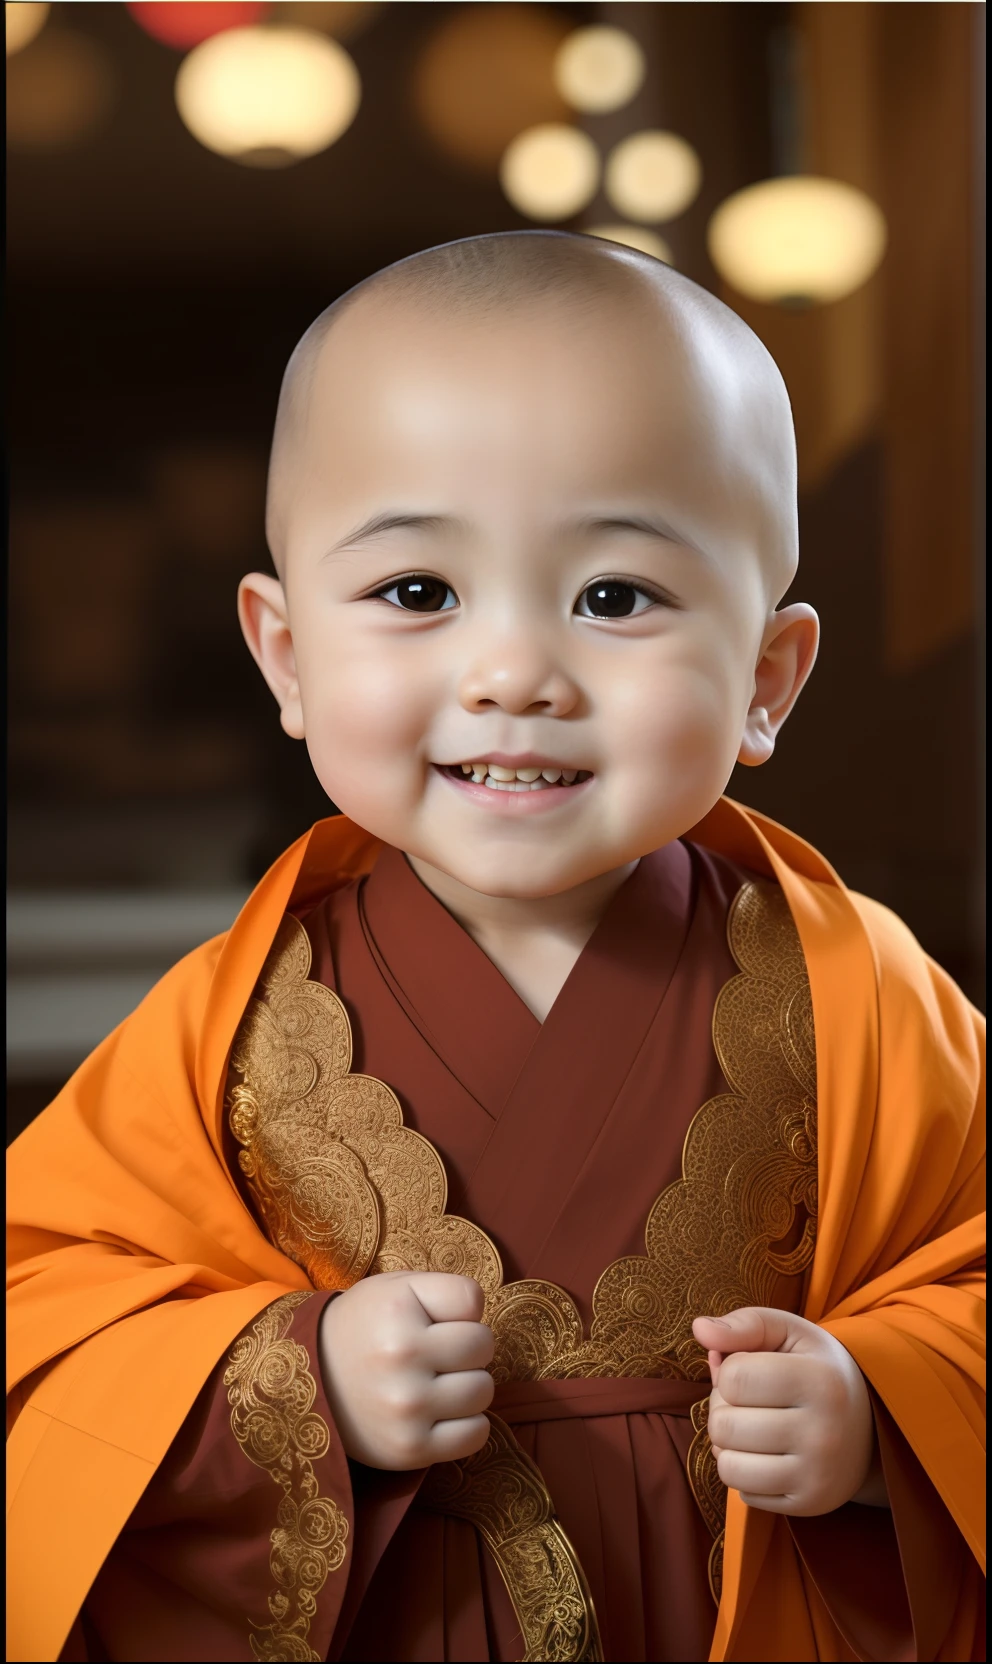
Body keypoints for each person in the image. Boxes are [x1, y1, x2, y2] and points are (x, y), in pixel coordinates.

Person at [7, 232, 984, 1664]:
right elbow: (47, 1307)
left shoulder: (865, 991)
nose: (514, 672)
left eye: (615, 598)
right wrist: (296, 1380)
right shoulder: (230, 1016)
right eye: (416, 593)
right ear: (285, 657)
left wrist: (886, 1411)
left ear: (767, 678)